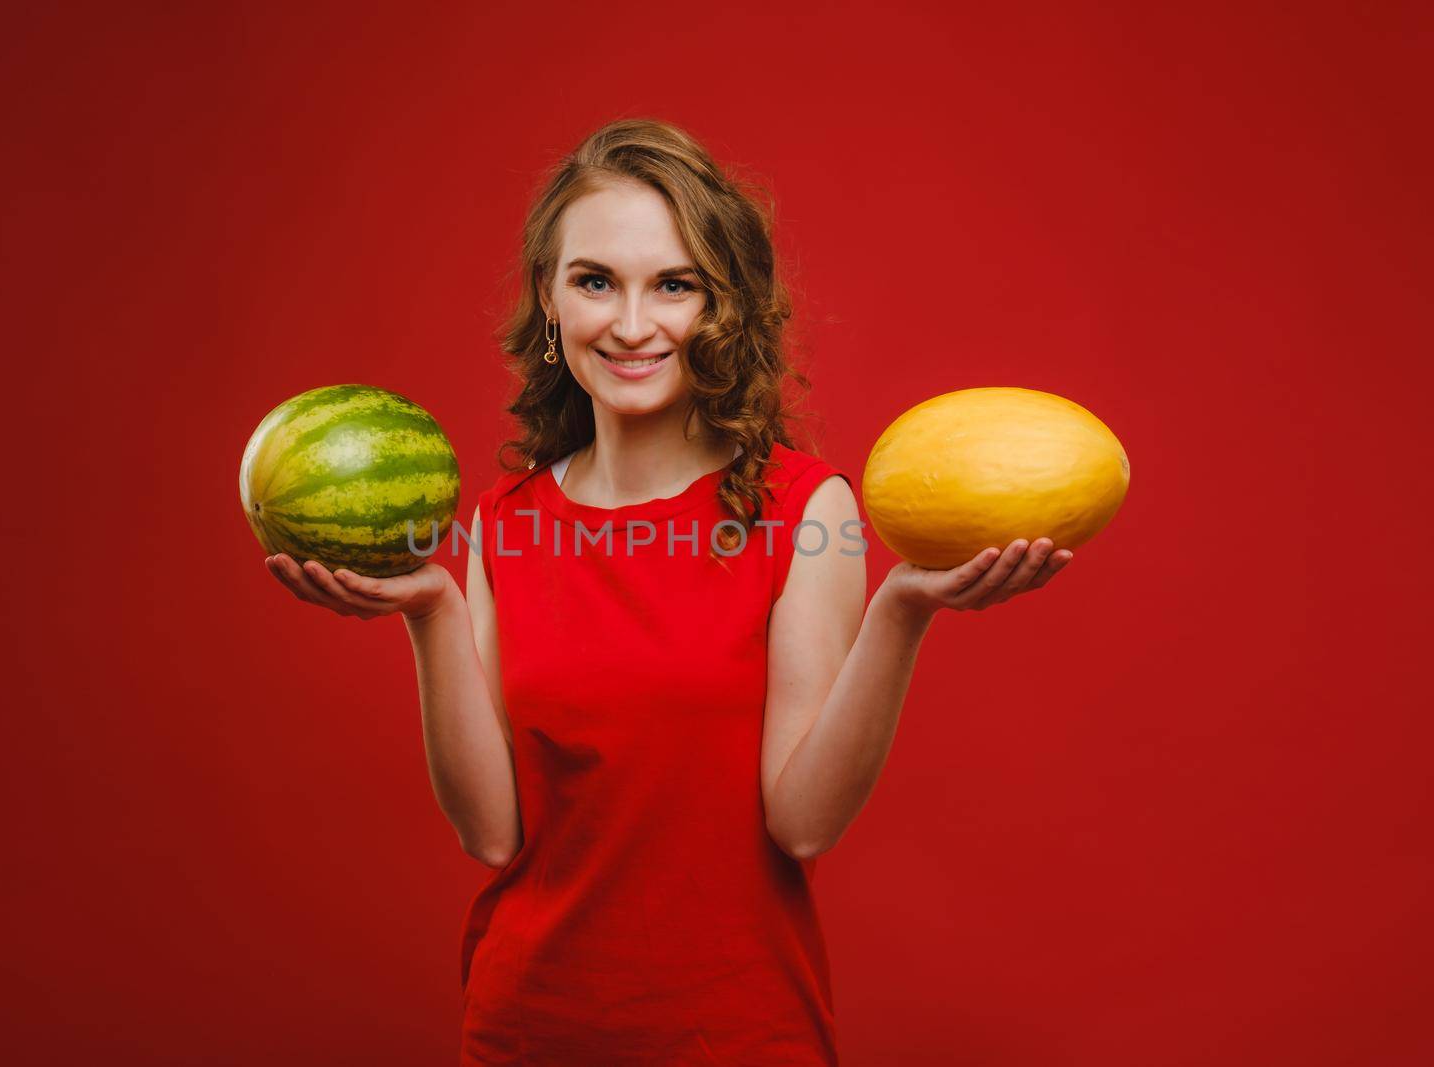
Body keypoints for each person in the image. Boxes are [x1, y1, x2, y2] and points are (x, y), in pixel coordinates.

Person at [264, 118, 1073, 1065]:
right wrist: (432, 612)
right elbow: (491, 835)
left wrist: (902, 612)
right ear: (551, 299)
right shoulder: (502, 522)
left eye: (675, 285)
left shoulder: (807, 511)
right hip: (526, 1028)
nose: (633, 323)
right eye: (596, 280)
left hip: (737, 1034)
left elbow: (802, 820)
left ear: (721, 307)